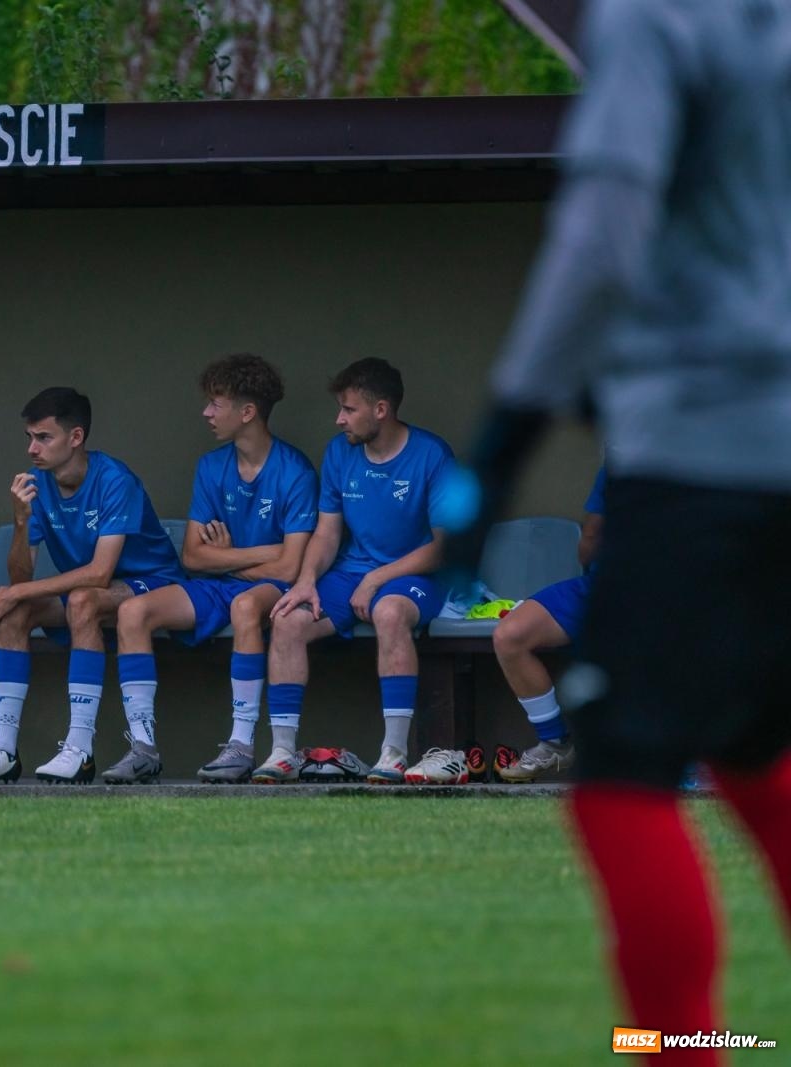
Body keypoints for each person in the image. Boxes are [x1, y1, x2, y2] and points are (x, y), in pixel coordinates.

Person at [463, 2, 791, 1054]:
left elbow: (604, 233)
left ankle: (679, 1046)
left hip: (701, 447)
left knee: (621, 776)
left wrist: (508, 429)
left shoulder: (656, 16)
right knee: (753, 746)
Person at [0, 386, 182, 785]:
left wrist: (17, 591)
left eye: (44, 437)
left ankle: (80, 748)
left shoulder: (115, 479)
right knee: (15, 611)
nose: (32, 449)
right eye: (29, 437)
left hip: (153, 584)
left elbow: (99, 573)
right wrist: (21, 523)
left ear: (75, 438)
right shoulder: (38, 487)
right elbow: (21, 579)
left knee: (78, 599)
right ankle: (3, 749)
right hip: (90, 592)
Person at [109, 355, 317, 784]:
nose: (206, 413)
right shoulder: (210, 467)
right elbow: (192, 557)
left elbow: (292, 566)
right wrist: (258, 553)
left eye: (215, 403)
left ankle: (241, 746)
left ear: (247, 412)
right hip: (216, 584)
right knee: (132, 612)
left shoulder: (295, 471)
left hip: (274, 589)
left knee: (244, 606)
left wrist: (229, 558)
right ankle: (143, 748)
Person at [267, 358, 454, 784]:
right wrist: (307, 579)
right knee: (287, 620)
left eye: (349, 409)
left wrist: (377, 579)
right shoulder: (340, 453)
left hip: (416, 576)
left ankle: (393, 753)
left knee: (389, 612)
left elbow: (443, 548)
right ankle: (281, 752)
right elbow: (328, 533)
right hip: (350, 574)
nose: (339, 420)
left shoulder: (432, 455)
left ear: (381, 410)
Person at [490, 466, 603, 784]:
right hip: (603, 583)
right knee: (511, 635)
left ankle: (695, 758)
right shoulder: (622, 460)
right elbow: (590, 540)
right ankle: (555, 742)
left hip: (672, 586)